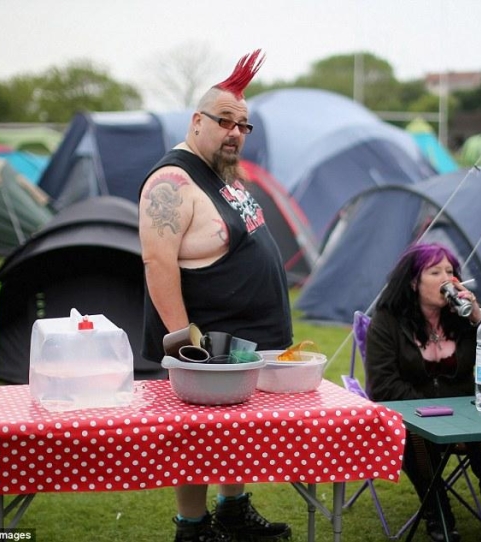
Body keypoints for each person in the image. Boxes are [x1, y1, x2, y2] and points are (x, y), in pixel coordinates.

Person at [138, 49, 293, 542]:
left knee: (231, 433)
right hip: (205, 339)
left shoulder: (221, 172)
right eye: (225, 121)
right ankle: (192, 526)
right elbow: (158, 263)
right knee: (197, 434)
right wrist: (184, 342)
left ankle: (231, 510)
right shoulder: (172, 181)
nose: (235, 133)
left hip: (243, 336)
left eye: (243, 126)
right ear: (196, 120)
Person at [365, 243, 481, 542]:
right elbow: (383, 386)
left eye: (450, 272)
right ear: (414, 281)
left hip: (468, 416)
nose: (446, 279)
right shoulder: (388, 321)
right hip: (416, 418)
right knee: (416, 438)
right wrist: (436, 417)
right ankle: (438, 513)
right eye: (435, 271)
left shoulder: (463, 319)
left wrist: (478, 315)